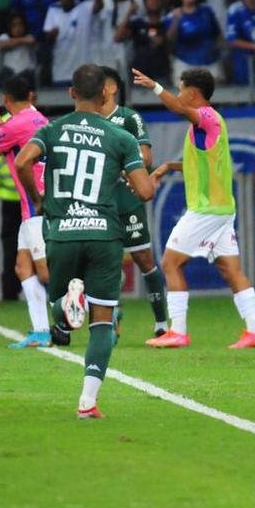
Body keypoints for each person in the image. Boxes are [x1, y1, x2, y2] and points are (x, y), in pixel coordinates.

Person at [14, 63, 154, 418]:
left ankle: (67, 305)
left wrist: (40, 197)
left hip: (62, 232)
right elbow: (146, 190)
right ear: (106, 93)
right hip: (104, 234)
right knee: (104, 319)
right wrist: (122, 168)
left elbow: (23, 160)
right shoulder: (119, 137)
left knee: (59, 308)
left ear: (72, 93)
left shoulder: (52, 130)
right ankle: (87, 401)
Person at [132, 67, 255, 350]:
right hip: (221, 209)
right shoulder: (210, 123)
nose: (179, 94)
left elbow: (179, 108)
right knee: (230, 270)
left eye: (181, 89)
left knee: (170, 263)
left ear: (193, 93)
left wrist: (155, 87)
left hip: (206, 210)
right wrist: (169, 167)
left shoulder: (204, 117)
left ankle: (178, 331)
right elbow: (202, 165)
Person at [0, 75, 50, 348]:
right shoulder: (39, 118)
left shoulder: (14, 124)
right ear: (30, 96)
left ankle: (99, 309)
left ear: (5, 99)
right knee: (22, 266)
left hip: (35, 203)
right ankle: (41, 331)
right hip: (40, 200)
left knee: (44, 272)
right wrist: (1, 125)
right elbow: (15, 135)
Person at [100, 68, 168, 338]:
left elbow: (146, 158)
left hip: (127, 200)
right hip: (99, 202)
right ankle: (111, 321)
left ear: (112, 88)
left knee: (143, 258)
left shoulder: (129, 118)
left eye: (101, 83)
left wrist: (118, 167)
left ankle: (162, 323)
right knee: (106, 261)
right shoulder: (88, 121)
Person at [43, 0, 100, 87]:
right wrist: (52, 35)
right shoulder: (53, 10)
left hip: (84, 72)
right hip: (61, 71)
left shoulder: (84, 6)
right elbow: (47, 37)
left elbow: (99, 5)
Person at [165, 0, 223, 80]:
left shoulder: (207, 11)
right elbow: (170, 41)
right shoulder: (172, 16)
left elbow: (218, 35)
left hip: (210, 62)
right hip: (185, 64)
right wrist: (176, 21)